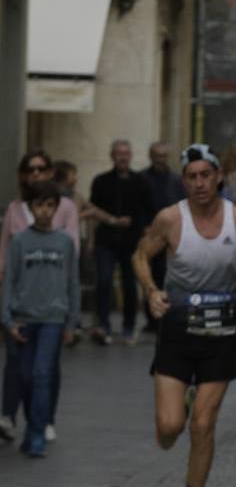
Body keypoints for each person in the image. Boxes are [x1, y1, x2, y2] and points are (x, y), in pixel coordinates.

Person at [132, 144, 236, 487]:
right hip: (177, 330)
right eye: (191, 177)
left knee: (204, 426)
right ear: (184, 181)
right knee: (170, 428)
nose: (199, 184)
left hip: (221, 331)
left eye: (205, 175)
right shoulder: (170, 219)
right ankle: (179, 405)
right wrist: (150, 290)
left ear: (218, 175)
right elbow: (141, 256)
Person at [0, 151, 82, 444]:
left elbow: (71, 252)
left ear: (51, 172)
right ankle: (11, 416)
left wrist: (72, 318)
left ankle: (42, 422)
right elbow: (6, 255)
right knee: (19, 367)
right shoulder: (14, 210)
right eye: (30, 169)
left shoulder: (65, 209)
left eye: (42, 168)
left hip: (52, 303)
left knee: (44, 370)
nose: (36, 173)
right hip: (22, 301)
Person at [89, 139, 153, 345]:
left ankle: (128, 326)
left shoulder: (141, 181)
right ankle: (103, 325)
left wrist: (146, 239)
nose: (122, 157)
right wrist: (91, 240)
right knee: (104, 282)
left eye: (126, 153)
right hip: (106, 240)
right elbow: (93, 211)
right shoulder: (100, 181)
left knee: (130, 285)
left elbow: (148, 213)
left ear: (131, 156)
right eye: (118, 153)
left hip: (132, 241)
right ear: (112, 156)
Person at [141, 142, 189, 334]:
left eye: (163, 156)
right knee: (149, 275)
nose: (160, 160)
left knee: (168, 276)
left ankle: (167, 315)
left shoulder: (176, 181)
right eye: (156, 156)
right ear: (151, 156)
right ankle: (152, 317)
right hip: (148, 234)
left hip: (172, 238)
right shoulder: (142, 179)